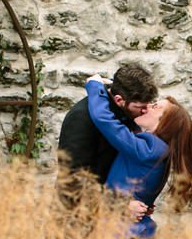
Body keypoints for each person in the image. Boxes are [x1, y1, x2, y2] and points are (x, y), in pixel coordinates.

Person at [84, 74, 192, 238]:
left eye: (155, 107)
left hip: (121, 236)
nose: (147, 107)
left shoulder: (150, 149)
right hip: (132, 233)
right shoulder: (158, 150)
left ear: (164, 124)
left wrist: (94, 85)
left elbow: (105, 120)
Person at [57, 63, 158, 214]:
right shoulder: (81, 118)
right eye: (141, 107)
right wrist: (120, 205)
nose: (146, 111)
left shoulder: (126, 111)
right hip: (79, 218)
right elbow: (73, 181)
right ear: (119, 100)